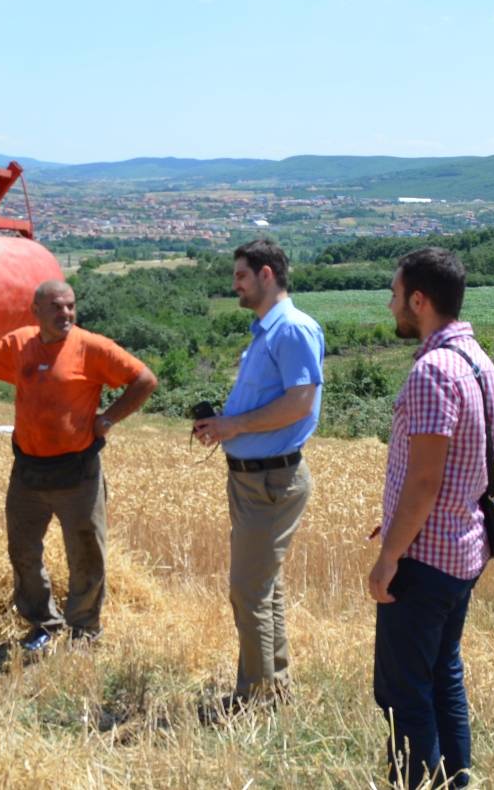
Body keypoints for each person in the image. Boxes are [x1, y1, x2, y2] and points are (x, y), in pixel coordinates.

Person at [0, 279, 156, 650]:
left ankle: (84, 632)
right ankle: (44, 624)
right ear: (37, 311)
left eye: (71, 306)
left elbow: (144, 379)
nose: (66, 314)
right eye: (57, 307)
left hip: (78, 473)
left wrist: (107, 419)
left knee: (86, 554)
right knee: (23, 551)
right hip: (28, 474)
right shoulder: (19, 344)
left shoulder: (91, 347)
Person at [367, 247, 494, 788]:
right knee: (443, 674)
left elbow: (425, 479)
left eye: (396, 294)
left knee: (404, 693)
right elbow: (460, 468)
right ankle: (456, 781)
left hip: (424, 560)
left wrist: (389, 555)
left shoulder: (432, 372)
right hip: (463, 549)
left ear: (419, 300)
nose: (390, 304)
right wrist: (397, 521)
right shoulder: (478, 361)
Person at [191, 238, 324, 706]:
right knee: (264, 588)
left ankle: (254, 698)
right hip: (255, 476)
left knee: (249, 591)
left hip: (270, 480)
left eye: (241, 277)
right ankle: (274, 686)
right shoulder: (268, 331)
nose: (236, 287)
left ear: (267, 274)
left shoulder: (292, 330)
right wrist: (225, 428)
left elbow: (300, 402)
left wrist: (235, 425)